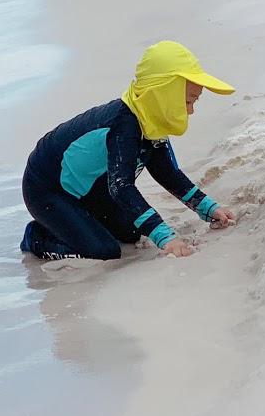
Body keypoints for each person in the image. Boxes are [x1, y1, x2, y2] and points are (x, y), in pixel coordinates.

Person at [19, 41, 236, 261]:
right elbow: (121, 188)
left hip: (91, 188)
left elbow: (167, 173)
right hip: (47, 188)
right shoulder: (123, 127)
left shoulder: (152, 120)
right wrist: (166, 238)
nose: (191, 110)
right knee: (103, 252)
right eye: (187, 101)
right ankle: (37, 235)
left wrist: (209, 209)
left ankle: (79, 221)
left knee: (130, 233)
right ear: (162, 95)